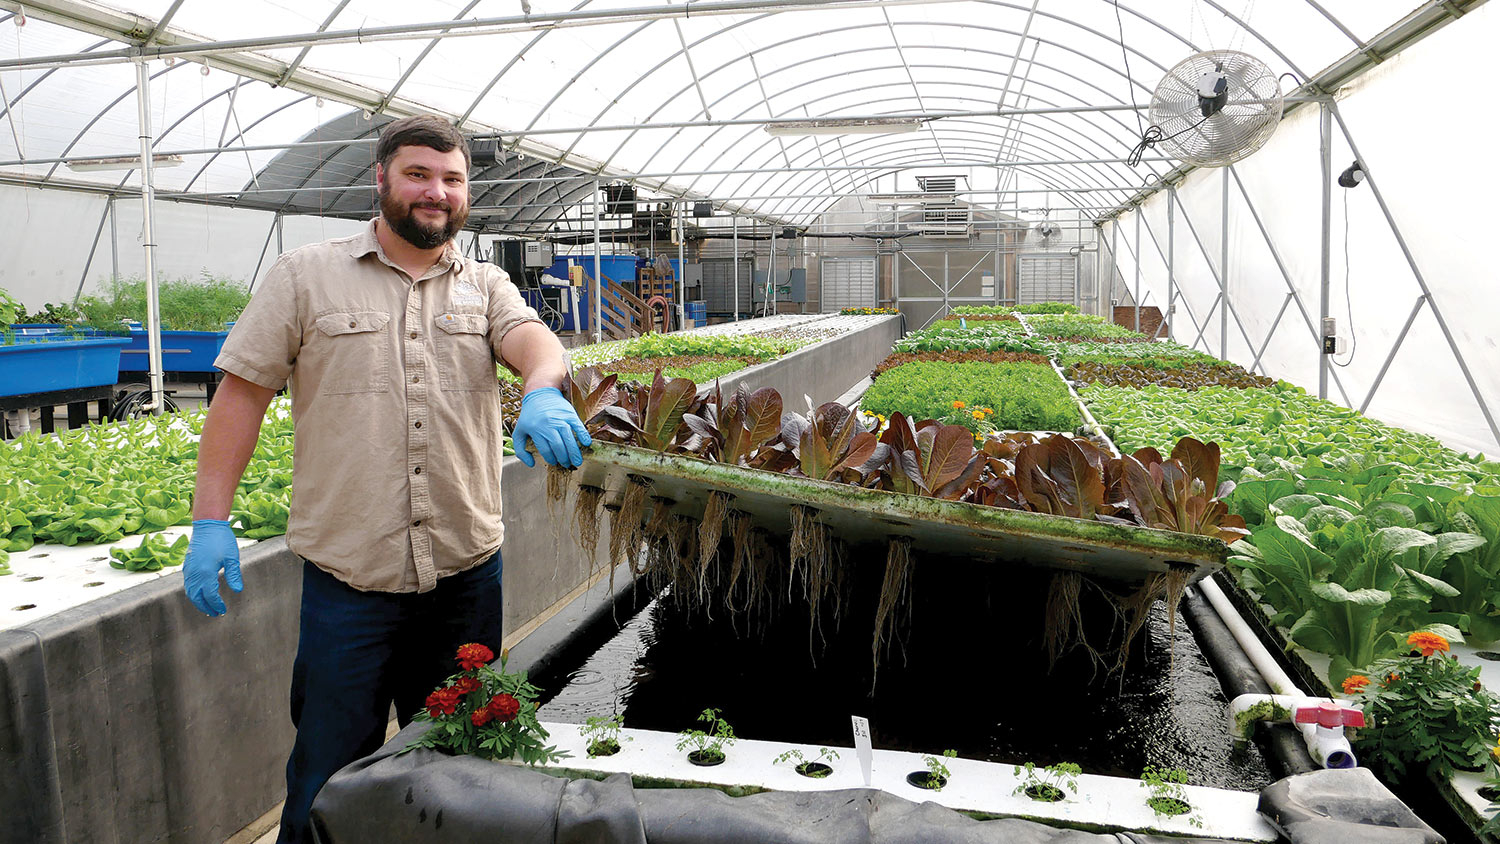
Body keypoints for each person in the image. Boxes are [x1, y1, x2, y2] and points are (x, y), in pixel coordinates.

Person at [179, 114, 590, 844]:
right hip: (350, 582)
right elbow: (240, 394)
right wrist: (210, 520)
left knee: (465, 769)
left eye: (452, 179)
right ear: (382, 179)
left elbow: (533, 338)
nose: (437, 192)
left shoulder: (486, 283)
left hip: (465, 579)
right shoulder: (308, 275)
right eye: (419, 175)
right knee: (328, 774)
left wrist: (542, 384)